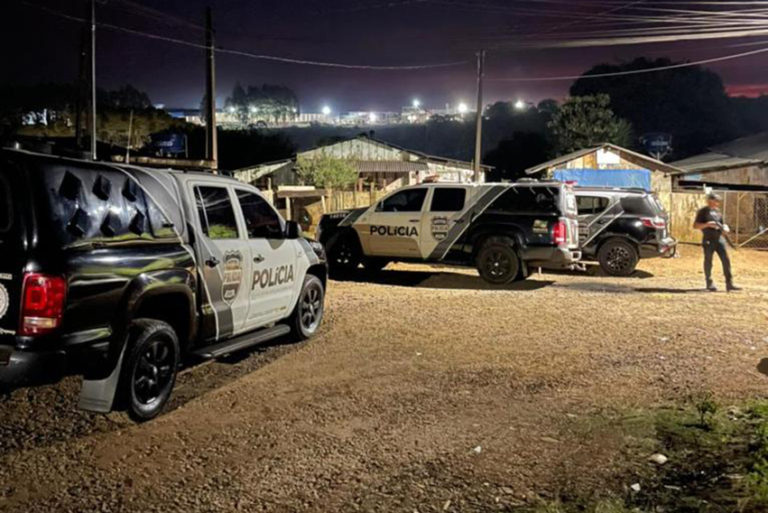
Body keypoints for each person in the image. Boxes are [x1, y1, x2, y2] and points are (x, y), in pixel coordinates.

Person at [693, 192, 741, 292]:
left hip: (719, 239)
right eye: (715, 200)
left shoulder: (718, 212)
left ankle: (729, 284)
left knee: (726, 260)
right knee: (708, 261)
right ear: (709, 200)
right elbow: (696, 226)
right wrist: (707, 224)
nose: (717, 203)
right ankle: (709, 283)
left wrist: (725, 228)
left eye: (718, 201)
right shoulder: (703, 212)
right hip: (708, 239)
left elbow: (722, 224)